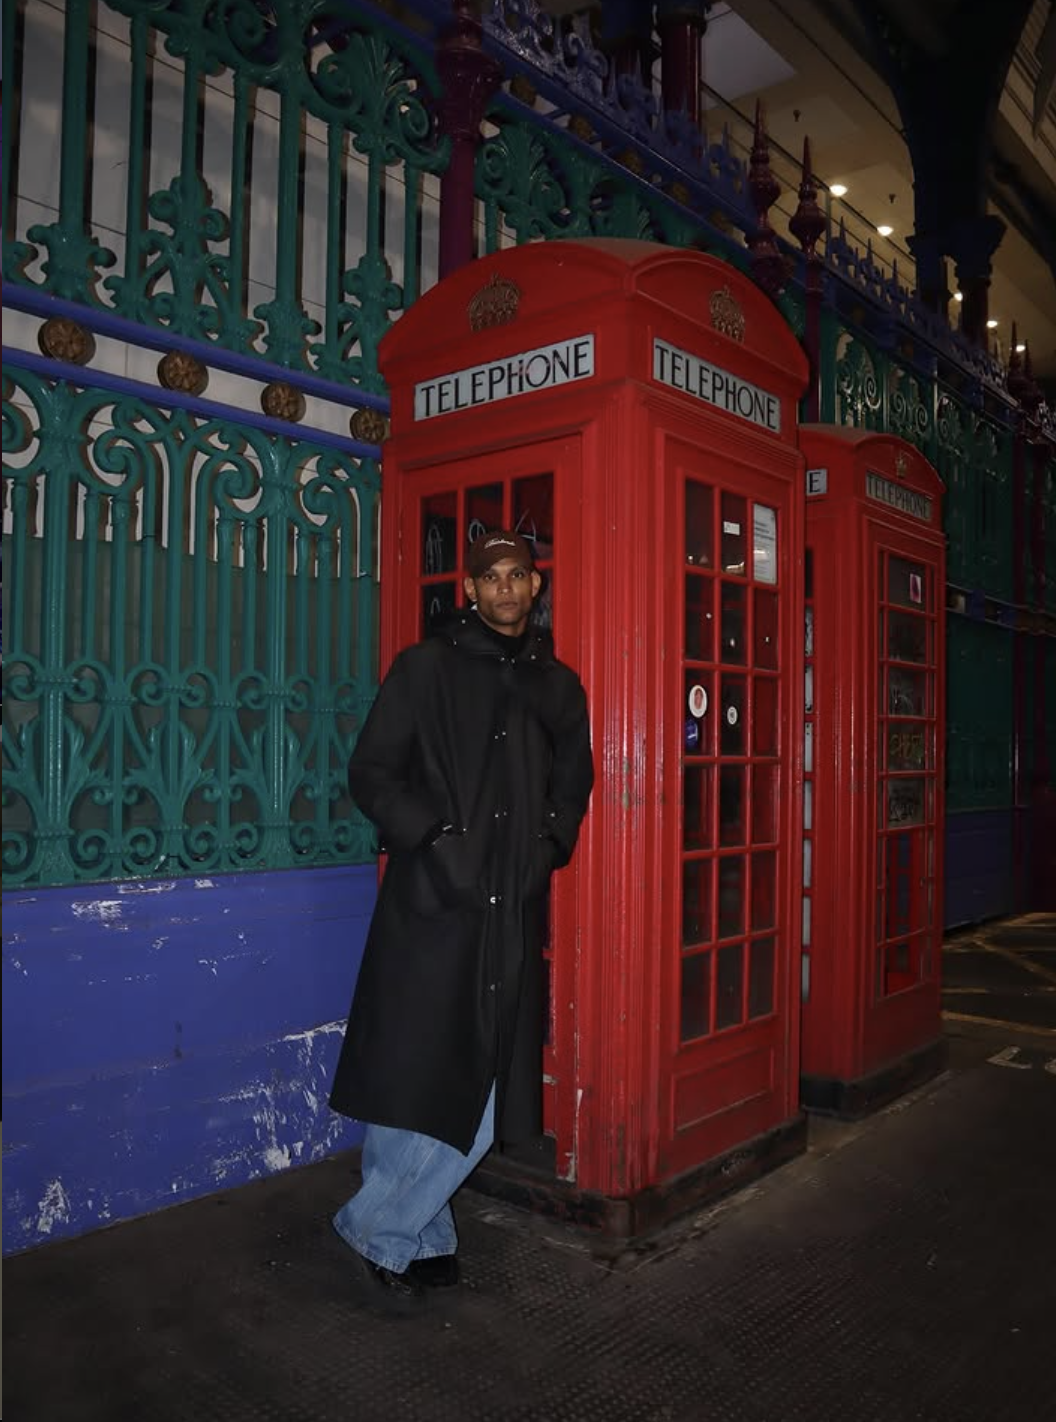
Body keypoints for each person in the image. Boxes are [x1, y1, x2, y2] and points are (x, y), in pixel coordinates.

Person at [329, 529, 594, 1310]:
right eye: (491, 577)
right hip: (430, 903)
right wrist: (436, 839)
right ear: (471, 589)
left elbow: (573, 781)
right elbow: (371, 771)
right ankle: (383, 1228)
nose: (506, 588)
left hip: (507, 907)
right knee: (416, 1074)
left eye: (518, 574)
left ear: (535, 584)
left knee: (474, 1077)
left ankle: (419, 1228)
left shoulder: (557, 685)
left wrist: (547, 848)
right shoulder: (425, 668)